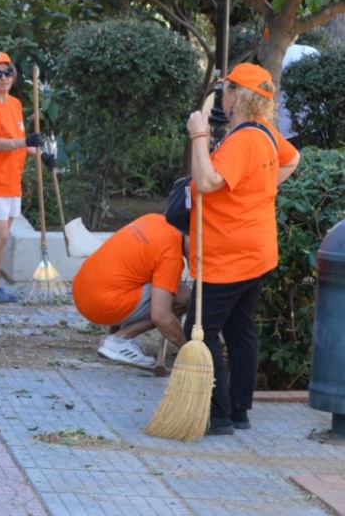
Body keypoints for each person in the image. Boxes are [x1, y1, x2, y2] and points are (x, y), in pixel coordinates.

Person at [186, 62, 300, 435]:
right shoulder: (265, 132)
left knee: (199, 328)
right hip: (256, 250)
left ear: (237, 96)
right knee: (240, 329)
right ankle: (239, 411)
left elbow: (205, 181)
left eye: (227, 89)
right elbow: (293, 159)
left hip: (228, 255)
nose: (223, 96)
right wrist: (260, 189)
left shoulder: (243, 141)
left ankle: (217, 415)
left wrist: (199, 136)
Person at [0, 51, 53, 305]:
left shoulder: (14, 104)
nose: (3, 78)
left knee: (2, 238)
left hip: (10, 181)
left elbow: (18, 142)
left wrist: (40, 154)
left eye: (8, 72)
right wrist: (24, 141)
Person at [72, 214, 191, 367]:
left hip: (82, 290)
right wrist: (188, 349)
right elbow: (161, 316)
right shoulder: (171, 256)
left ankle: (113, 337)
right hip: (101, 306)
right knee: (185, 296)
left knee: (138, 277)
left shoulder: (153, 219)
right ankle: (120, 340)